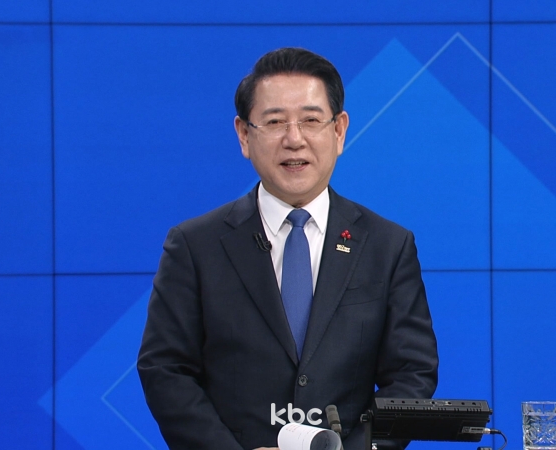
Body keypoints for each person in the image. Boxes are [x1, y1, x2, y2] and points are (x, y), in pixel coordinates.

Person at [137, 47, 438, 450]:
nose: (294, 140)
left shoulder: (388, 246)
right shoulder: (194, 246)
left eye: (311, 120)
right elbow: (165, 369)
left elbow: (412, 374)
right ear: (244, 135)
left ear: (339, 131)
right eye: (275, 122)